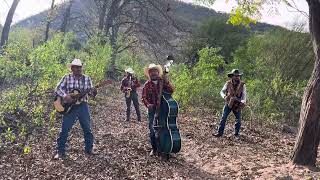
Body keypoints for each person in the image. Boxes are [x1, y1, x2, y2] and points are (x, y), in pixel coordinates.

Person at [54, 58, 97, 159]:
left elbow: (91, 94)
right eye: (76, 67)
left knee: (87, 128)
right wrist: (65, 96)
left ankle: (89, 149)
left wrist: (94, 92)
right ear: (72, 68)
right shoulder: (67, 77)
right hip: (69, 107)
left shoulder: (86, 78)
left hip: (83, 106)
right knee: (64, 129)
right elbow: (57, 88)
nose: (78, 69)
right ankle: (60, 151)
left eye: (80, 67)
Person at [142, 63, 174, 156]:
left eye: (155, 71)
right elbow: (144, 97)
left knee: (164, 128)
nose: (153, 73)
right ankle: (154, 148)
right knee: (152, 130)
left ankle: (165, 148)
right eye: (151, 72)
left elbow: (171, 91)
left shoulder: (162, 81)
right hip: (152, 111)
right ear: (149, 73)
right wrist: (148, 104)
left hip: (163, 109)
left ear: (158, 72)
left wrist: (167, 82)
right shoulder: (147, 85)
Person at [214, 69, 247, 138]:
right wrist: (224, 97)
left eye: (238, 76)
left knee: (238, 120)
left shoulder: (242, 85)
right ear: (232, 76)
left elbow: (244, 95)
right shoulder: (228, 83)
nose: (237, 77)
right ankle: (220, 133)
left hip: (237, 104)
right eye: (235, 76)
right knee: (223, 118)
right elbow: (222, 92)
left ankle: (236, 134)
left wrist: (243, 102)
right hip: (228, 103)